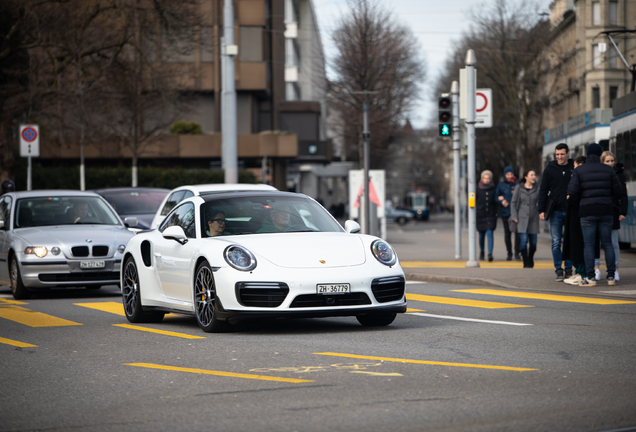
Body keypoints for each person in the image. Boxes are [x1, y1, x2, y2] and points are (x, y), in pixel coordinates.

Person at [567, 142, 622, 287]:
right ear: (599, 155)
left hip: (587, 212)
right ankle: (611, 277)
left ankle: (590, 278)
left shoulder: (579, 170)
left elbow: (572, 192)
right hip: (605, 211)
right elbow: (618, 190)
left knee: (589, 245)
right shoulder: (608, 170)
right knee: (608, 244)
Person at [538, 143, 574, 281]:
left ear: (567, 154)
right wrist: (541, 209)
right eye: (557, 154)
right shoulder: (549, 169)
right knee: (556, 241)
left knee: (569, 241)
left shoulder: (574, 167)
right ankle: (558, 269)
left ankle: (569, 269)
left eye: (562, 154)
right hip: (555, 212)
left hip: (571, 210)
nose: (559, 157)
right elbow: (543, 190)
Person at [592, 151, 628, 281]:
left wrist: (623, 212)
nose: (610, 163)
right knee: (597, 241)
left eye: (612, 161)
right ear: (602, 162)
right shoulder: (598, 173)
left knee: (613, 242)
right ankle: (596, 268)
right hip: (599, 210)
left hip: (613, 211)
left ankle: (615, 269)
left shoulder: (619, 175)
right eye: (607, 161)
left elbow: (623, 195)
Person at [562, 156, 587, 285]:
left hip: (577, 214)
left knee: (577, 244)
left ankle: (582, 273)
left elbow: (573, 195)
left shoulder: (578, 176)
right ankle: (579, 271)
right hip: (576, 214)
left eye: (575, 165)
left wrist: (568, 197)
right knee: (575, 243)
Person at [510, 169, 540, 268]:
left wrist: (542, 212)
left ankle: (530, 257)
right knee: (523, 242)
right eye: (531, 175)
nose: (533, 177)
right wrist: (514, 216)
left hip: (533, 219)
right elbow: (513, 202)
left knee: (533, 244)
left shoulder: (537, 188)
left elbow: (541, 202)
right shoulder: (519, 188)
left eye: (534, 175)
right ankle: (526, 262)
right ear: (526, 177)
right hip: (521, 219)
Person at [495, 166, 520, 261]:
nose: (509, 176)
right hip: (505, 213)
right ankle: (509, 253)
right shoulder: (501, 185)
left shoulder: (518, 183)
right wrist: (501, 202)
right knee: (507, 234)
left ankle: (517, 253)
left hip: (517, 213)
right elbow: (496, 197)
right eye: (507, 174)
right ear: (505, 175)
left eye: (511, 174)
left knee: (518, 234)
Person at [476, 170, 497, 261]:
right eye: (485, 178)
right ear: (482, 178)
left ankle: (489, 254)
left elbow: (496, 199)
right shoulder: (477, 189)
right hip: (480, 216)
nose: (486, 180)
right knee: (481, 236)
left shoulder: (494, 189)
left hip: (491, 216)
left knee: (490, 234)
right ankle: (482, 251)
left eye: (488, 178)